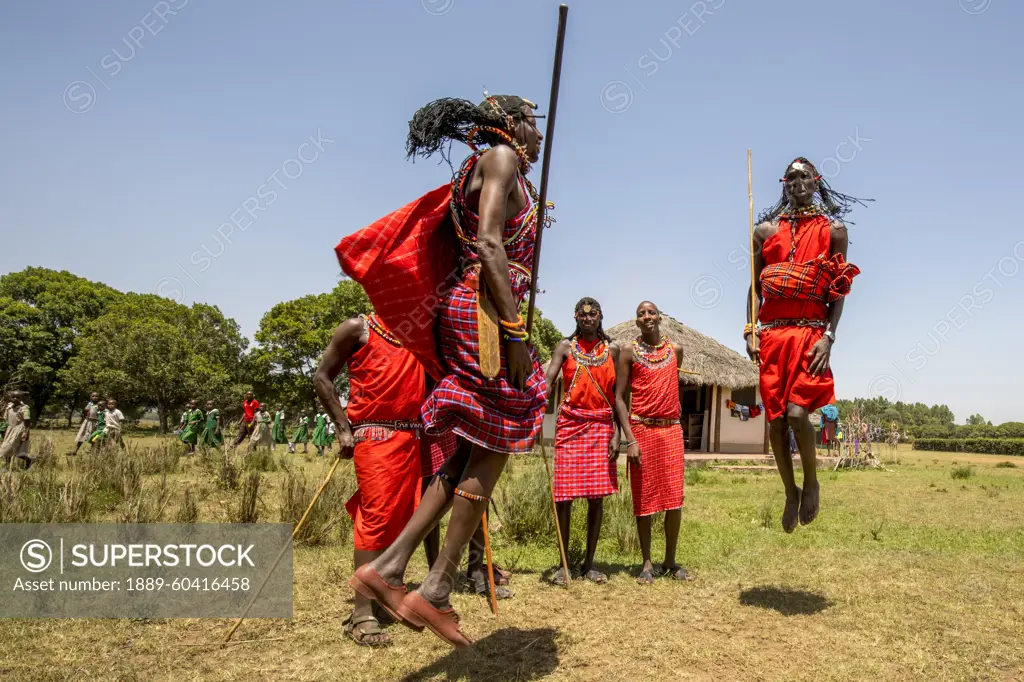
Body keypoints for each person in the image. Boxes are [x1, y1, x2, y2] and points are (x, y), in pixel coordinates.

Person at [340, 94, 547, 648]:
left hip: (477, 307)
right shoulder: (501, 157)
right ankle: (436, 587)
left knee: (464, 452)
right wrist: (515, 331)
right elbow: (487, 243)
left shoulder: (484, 165)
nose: (539, 134)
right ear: (510, 124)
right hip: (482, 314)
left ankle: (391, 567)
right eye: (533, 122)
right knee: (502, 432)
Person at [745, 157, 863, 532]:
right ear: (784, 183)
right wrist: (750, 329)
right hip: (773, 335)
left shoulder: (834, 230)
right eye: (791, 177)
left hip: (812, 335)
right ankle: (790, 491)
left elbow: (838, 290)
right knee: (776, 424)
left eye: (804, 177)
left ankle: (811, 481)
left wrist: (830, 336)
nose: (798, 183)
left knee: (798, 414)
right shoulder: (765, 231)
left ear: (817, 180)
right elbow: (754, 286)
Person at [314, 313, 433, 648]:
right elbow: (322, 378)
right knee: (376, 520)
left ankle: (383, 599)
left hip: (412, 439)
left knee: (400, 522)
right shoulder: (357, 327)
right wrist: (341, 427)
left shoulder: (422, 332)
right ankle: (361, 610)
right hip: (375, 436)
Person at [614, 302, 692, 585]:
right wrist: (629, 439)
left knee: (674, 499)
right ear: (637, 322)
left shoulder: (676, 351)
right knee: (643, 498)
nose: (646, 317)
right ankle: (647, 562)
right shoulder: (628, 353)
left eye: (650, 312)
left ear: (660, 317)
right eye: (641, 314)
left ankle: (670, 560)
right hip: (641, 431)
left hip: (671, 430)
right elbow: (619, 398)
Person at [544, 298, 619, 585]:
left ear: (601, 316)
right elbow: (550, 380)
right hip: (570, 425)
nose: (588, 318)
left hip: (601, 425)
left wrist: (618, 433)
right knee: (564, 497)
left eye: (593, 313)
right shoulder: (565, 347)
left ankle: (589, 564)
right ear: (576, 317)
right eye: (582, 314)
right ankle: (564, 564)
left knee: (596, 497)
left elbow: (618, 397)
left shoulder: (611, 350)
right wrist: (538, 403)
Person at [0, 391, 32, 469]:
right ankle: (28, 461)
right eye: (13, 397)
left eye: (18, 397)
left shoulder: (24, 408)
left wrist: (26, 433)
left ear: (22, 398)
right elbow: (5, 419)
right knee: (17, 452)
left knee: (7, 448)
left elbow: (27, 422)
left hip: (19, 430)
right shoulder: (9, 407)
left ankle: (7, 467)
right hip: (9, 430)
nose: (15, 398)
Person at [69, 392, 101, 456]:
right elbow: (86, 410)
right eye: (93, 396)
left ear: (99, 397)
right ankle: (75, 451)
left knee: (94, 437)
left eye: (96, 396)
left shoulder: (100, 405)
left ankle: (93, 452)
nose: (94, 397)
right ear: (90, 397)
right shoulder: (90, 404)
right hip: (87, 422)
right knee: (82, 436)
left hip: (96, 423)